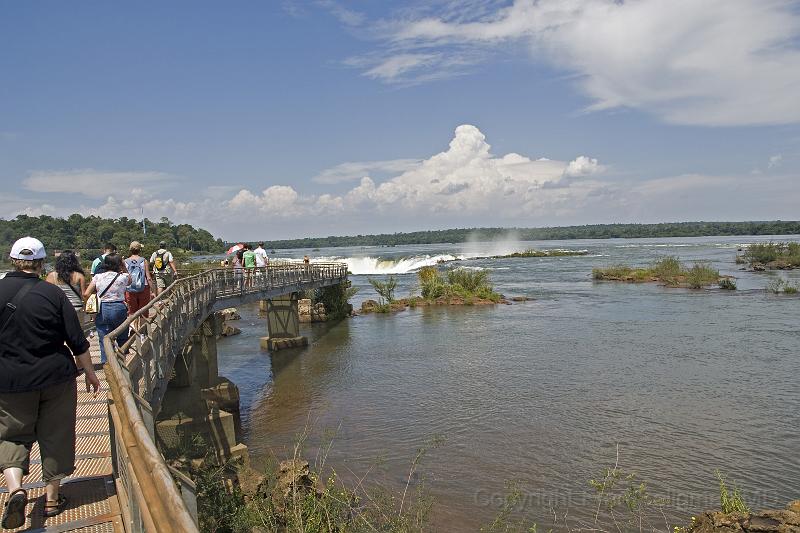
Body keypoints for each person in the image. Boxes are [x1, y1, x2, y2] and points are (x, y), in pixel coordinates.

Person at [1, 237, 100, 528]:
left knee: (11, 435)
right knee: (56, 434)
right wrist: (91, 374)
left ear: (12, 260)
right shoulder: (52, 294)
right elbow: (77, 340)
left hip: (9, 379)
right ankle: (53, 499)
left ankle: (16, 488)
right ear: (42, 264)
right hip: (55, 376)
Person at [84, 254, 131, 364]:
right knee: (122, 338)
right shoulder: (123, 277)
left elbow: (86, 294)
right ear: (119, 264)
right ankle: (122, 364)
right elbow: (130, 281)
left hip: (102, 309)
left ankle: (107, 367)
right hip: (119, 308)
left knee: (104, 341)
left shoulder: (98, 277)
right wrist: (124, 266)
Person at [45, 250, 88, 331]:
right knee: (77, 337)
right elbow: (84, 295)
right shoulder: (79, 276)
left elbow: (47, 295)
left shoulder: (52, 276)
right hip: (76, 309)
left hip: (59, 310)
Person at [124, 241, 154, 328]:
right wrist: (153, 291)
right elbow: (148, 277)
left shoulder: (125, 262)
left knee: (132, 312)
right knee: (144, 312)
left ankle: (133, 331)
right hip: (143, 287)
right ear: (140, 250)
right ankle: (142, 333)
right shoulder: (144, 261)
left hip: (129, 289)